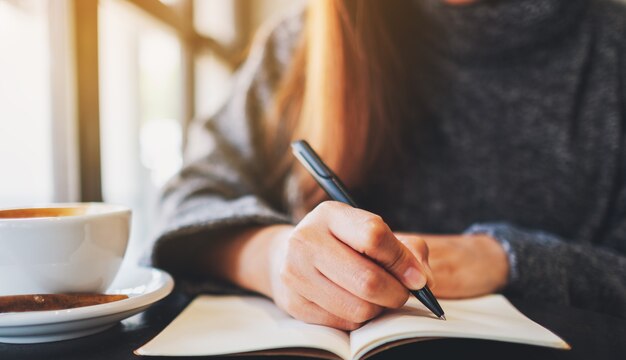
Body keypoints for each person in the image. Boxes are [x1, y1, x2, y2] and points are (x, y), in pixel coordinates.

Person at [149, 0, 626, 328]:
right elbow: (183, 202)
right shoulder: (300, 47)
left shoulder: (612, 47)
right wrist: (271, 257)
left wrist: (507, 260)